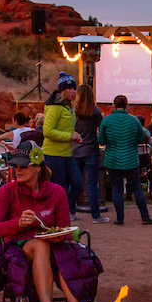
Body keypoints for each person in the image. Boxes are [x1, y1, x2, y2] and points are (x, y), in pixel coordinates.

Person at [0, 141, 99, 302]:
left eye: (23, 165)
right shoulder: (7, 192)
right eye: (15, 165)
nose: (18, 169)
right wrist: (17, 223)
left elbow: (65, 230)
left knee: (62, 252)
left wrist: (60, 235)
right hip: (19, 249)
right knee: (41, 245)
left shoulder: (57, 192)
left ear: (38, 168)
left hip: (53, 247)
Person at [98, 95, 152, 226]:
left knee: (117, 188)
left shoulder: (106, 121)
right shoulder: (134, 121)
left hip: (112, 159)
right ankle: (145, 216)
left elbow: (101, 140)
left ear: (113, 105)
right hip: (131, 159)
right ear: (127, 105)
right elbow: (141, 137)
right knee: (137, 188)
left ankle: (120, 219)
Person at [43, 72, 84, 219]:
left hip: (67, 154)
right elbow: (47, 131)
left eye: (74, 89)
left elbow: (67, 130)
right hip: (53, 154)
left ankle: (64, 210)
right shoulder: (54, 107)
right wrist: (69, 136)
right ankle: (60, 215)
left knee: (78, 184)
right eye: (69, 89)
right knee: (60, 188)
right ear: (62, 90)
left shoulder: (70, 108)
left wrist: (75, 136)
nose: (72, 92)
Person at [72, 85, 107, 224]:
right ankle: (96, 216)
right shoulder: (95, 111)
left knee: (75, 183)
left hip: (75, 150)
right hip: (91, 150)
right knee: (93, 184)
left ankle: (71, 212)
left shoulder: (73, 112)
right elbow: (101, 127)